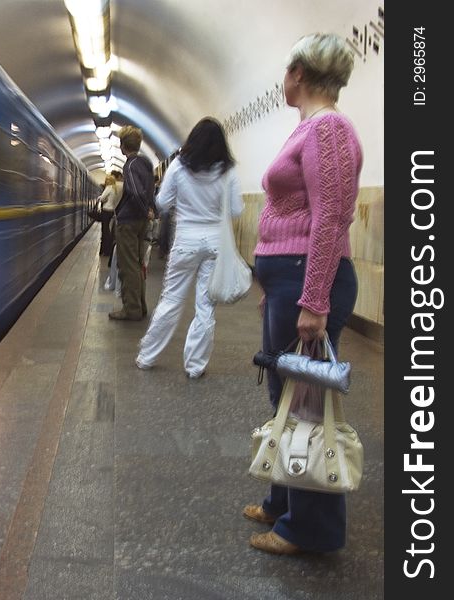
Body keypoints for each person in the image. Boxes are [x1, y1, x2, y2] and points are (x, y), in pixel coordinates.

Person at [243, 32, 362, 555]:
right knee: (287, 395)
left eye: (287, 69)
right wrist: (276, 288)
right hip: (290, 278)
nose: (283, 79)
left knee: (306, 403)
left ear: (301, 73)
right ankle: (283, 500)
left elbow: (331, 218)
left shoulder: (329, 128)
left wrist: (313, 299)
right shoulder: (310, 128)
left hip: (309, 279)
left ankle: (310, 529)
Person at [135, 118, 243, 378]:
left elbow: (161, 203)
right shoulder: (228, 171)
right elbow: (237, 209)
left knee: (171, 300)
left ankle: (147, 357)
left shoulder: (179, 167)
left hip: (186, 242)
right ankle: (195, 366)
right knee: (205, 305)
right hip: (215, 243)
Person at [109, 126, 155, 321]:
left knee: (128, 266)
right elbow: (149, 190)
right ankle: (141, 306)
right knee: (138, 264)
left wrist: (144, 209)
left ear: (122, 146)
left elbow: (135, 191)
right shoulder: (146, 163)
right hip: (142, 221)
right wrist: (150, 210)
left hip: (129, 221)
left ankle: (131, 309)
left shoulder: (130, 165)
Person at [98, 173, 121, 257]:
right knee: (109, 231)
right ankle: (108, 250)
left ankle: (104, 250)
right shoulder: (115, 189)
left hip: (106, 211)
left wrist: (100, 198)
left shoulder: (108, 188)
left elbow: (102, 198)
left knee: (105, 231)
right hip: (112, 211)